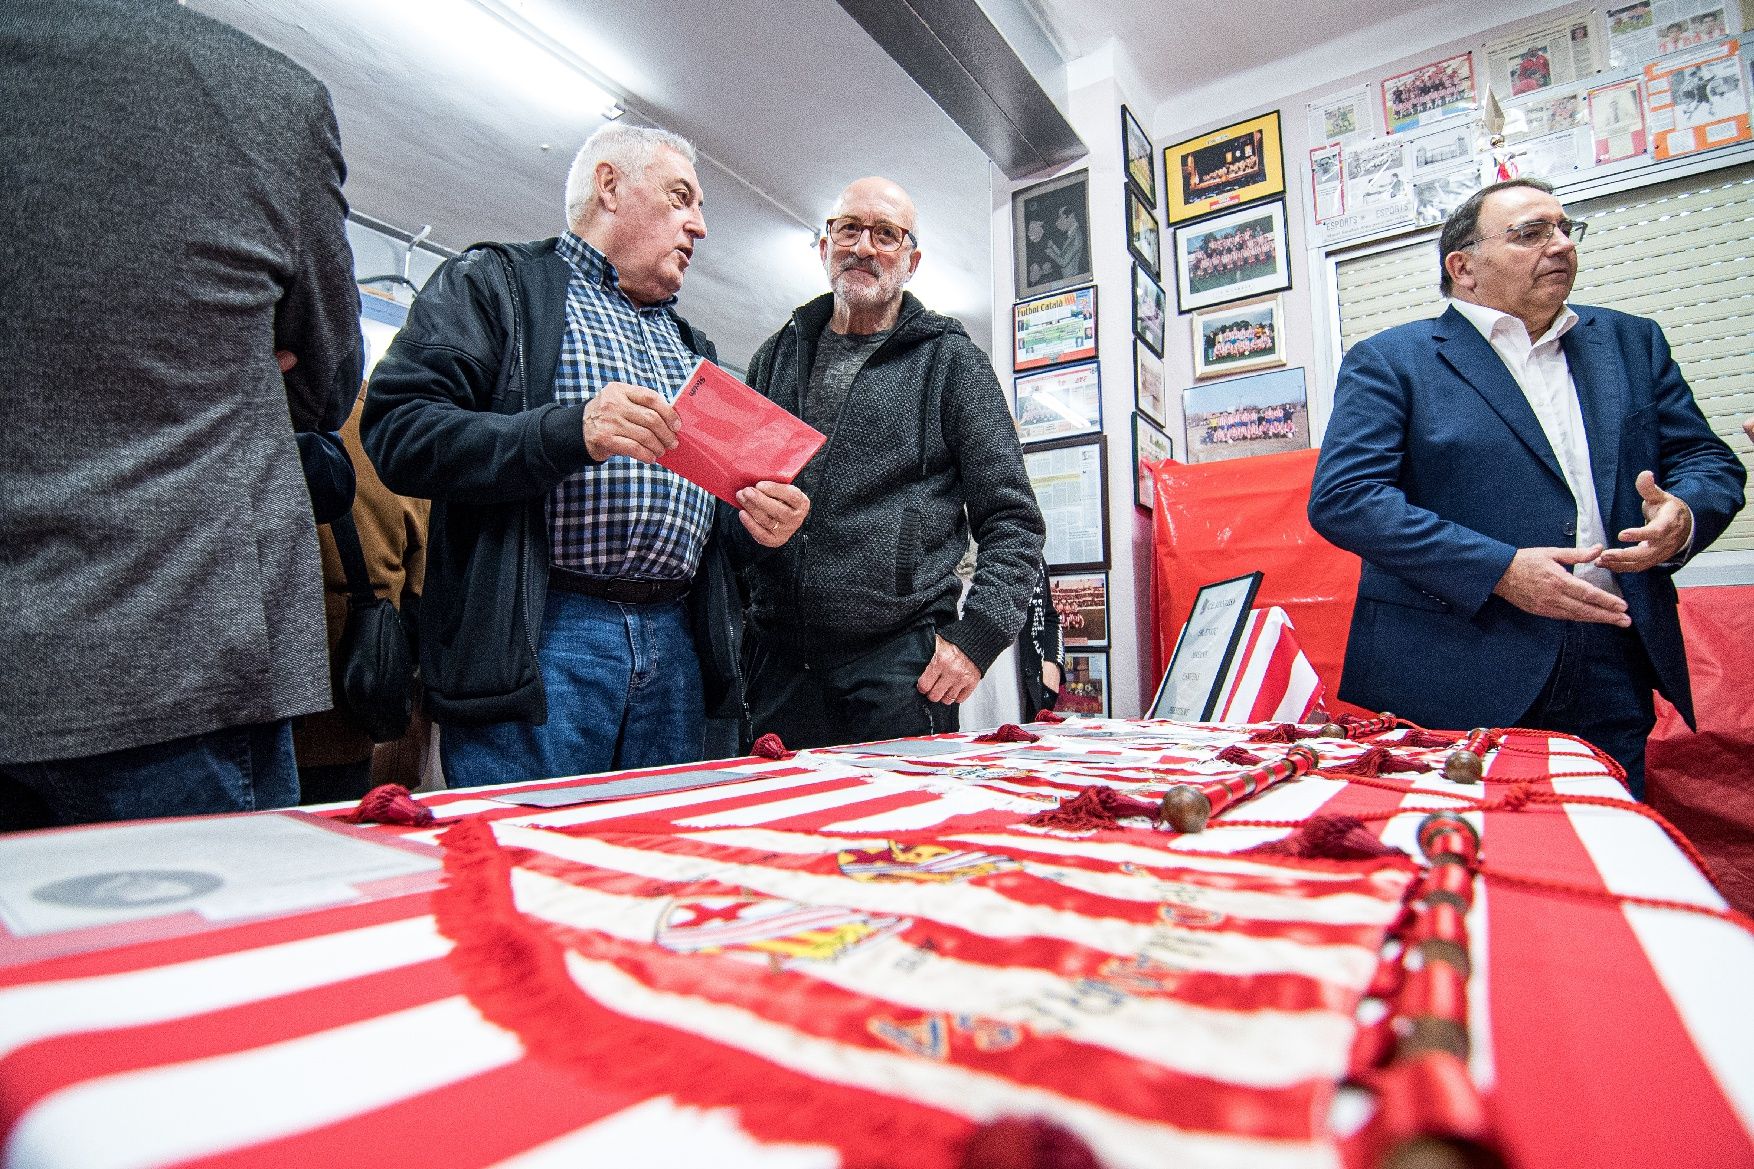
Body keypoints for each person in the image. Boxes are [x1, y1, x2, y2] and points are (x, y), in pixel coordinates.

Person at [0, 0, 362, 829]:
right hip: (176, 639)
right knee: (196, 955)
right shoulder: (265, 100)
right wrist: (234, 370)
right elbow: (328, 380)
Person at [362, 125, 807, 787]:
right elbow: (400, 431)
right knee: (530, 859)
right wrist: (570, 432)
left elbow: (709, 528)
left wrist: (754, 526)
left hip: (677, 643)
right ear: (609, 186)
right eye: (683, 197)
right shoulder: (496, 287)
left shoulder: (695, 348)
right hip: (546, 635)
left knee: (662, 863)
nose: (701, 226)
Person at [1309, 178, 1744, 798]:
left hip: (1612, 651)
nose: (1561, 245)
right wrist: (1500, 569)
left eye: (1567, 229)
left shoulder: (1631, 342)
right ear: (1463, 268)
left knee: (1608, 855)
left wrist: (1684, 517)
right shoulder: (1392, 359)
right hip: (1454, 662)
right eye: (1531, 233)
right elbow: (1346, 498)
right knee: (1463, 864)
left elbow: (1706, 459)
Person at [741, 177, 1045, 749]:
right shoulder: (775, 357)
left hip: (900, 669)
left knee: (903, 835)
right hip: (779, 664)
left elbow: (1014, 521)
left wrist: (976, 638)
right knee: (776, 835)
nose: (862, 247)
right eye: (848, 229)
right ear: (825, 244)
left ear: (912, 259)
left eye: (885, 234)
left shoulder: (951, 362)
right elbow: (737, 498)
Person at [295, 391, 431, 804]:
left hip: (236, 711)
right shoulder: (388, 434)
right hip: (348, 714)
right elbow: (420, 591)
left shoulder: (230, 421)